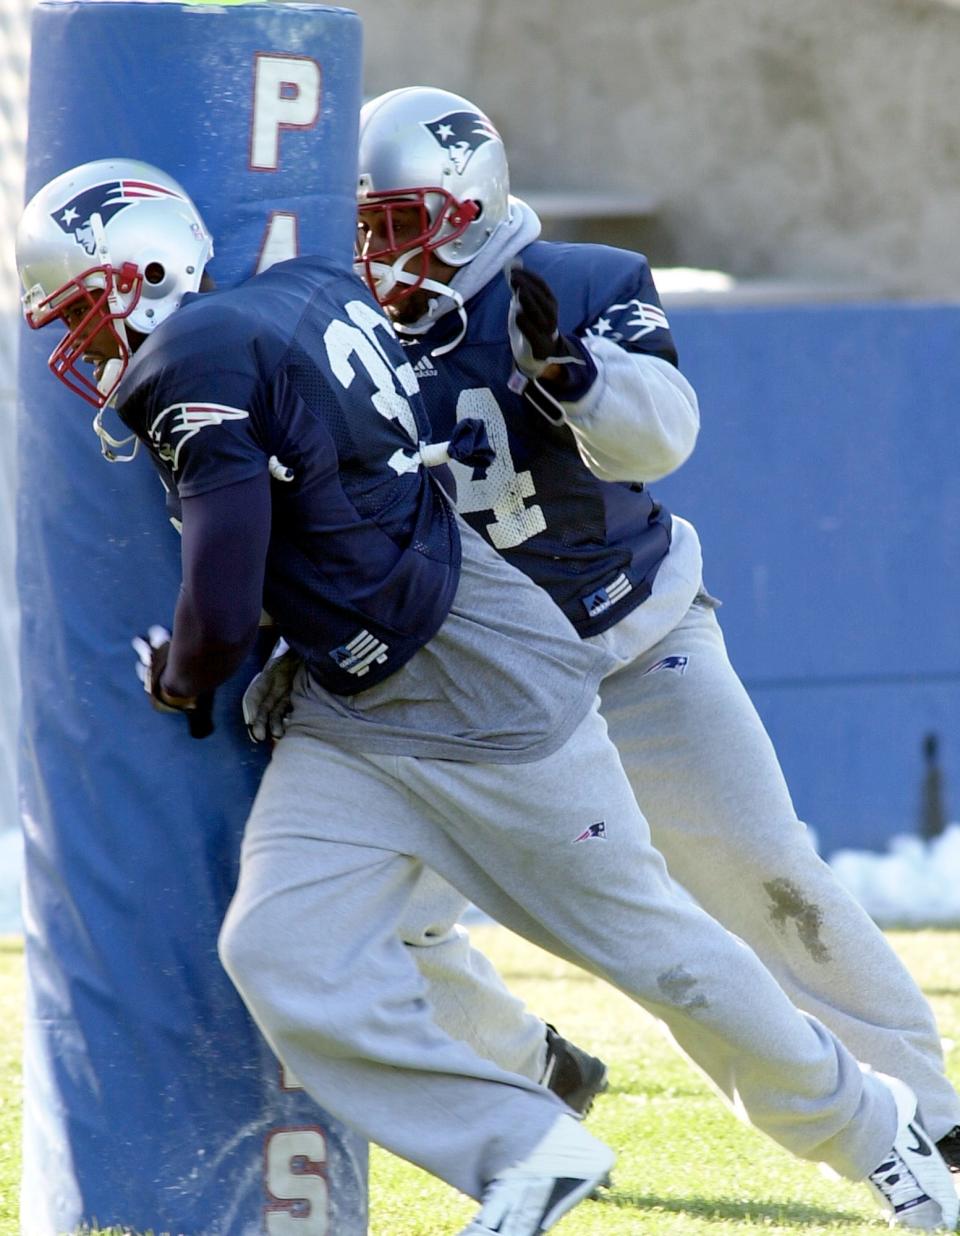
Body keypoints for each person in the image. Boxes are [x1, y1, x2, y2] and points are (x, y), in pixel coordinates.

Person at [16, 157, 959, 1236]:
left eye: (84, 313)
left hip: (481, 681)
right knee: (281, 950)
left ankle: (875, 1132)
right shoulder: (307, 290)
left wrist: (184, 677)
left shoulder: (197, 359)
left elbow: (228, 590)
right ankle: (528, 1149)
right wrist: (302, 630)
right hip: (352, 705)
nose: (80, 345)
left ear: (141, 271)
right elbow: (335, 500)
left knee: (664, 951)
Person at [351, 83, 960, 1202]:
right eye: (365, 223)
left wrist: (579, 378)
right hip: (467, 683)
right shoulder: (339, 324)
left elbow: (660, 437)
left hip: (629, 637)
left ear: (472, 203)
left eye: (402, 220)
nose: (380, 250)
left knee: (760, 873)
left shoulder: (577, 284)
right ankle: (534, 1070)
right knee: (359, 926)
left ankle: (930, 1115)